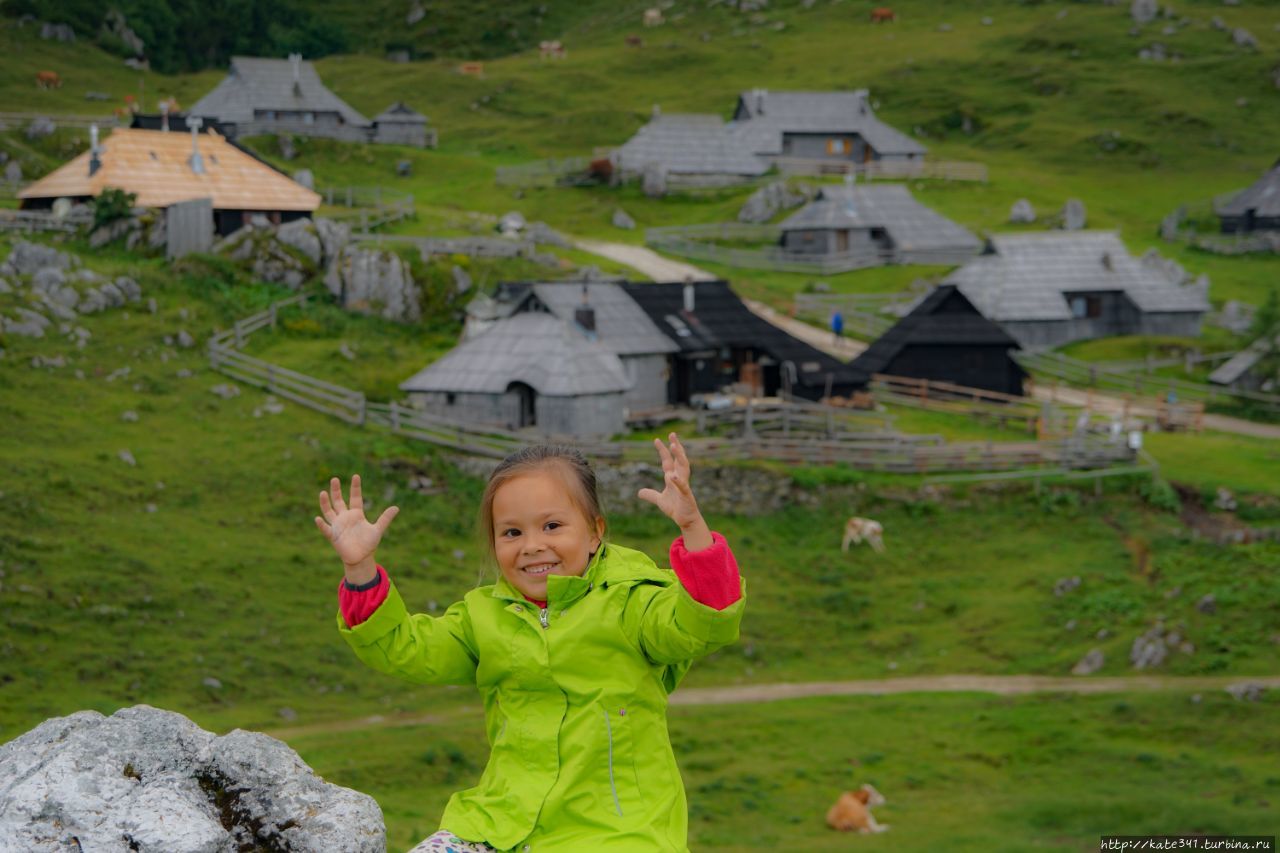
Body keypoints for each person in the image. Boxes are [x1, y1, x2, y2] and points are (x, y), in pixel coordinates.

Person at [314, 435, 745, 852]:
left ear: (595, 532)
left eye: (553, 526)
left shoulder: (633, 600)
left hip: (619, 832)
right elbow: (402, 648)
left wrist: (692, 527)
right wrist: (360, 566)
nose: (533, 546)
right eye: (512, 533)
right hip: (497, 824)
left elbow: (704, 622)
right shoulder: (482, 616)